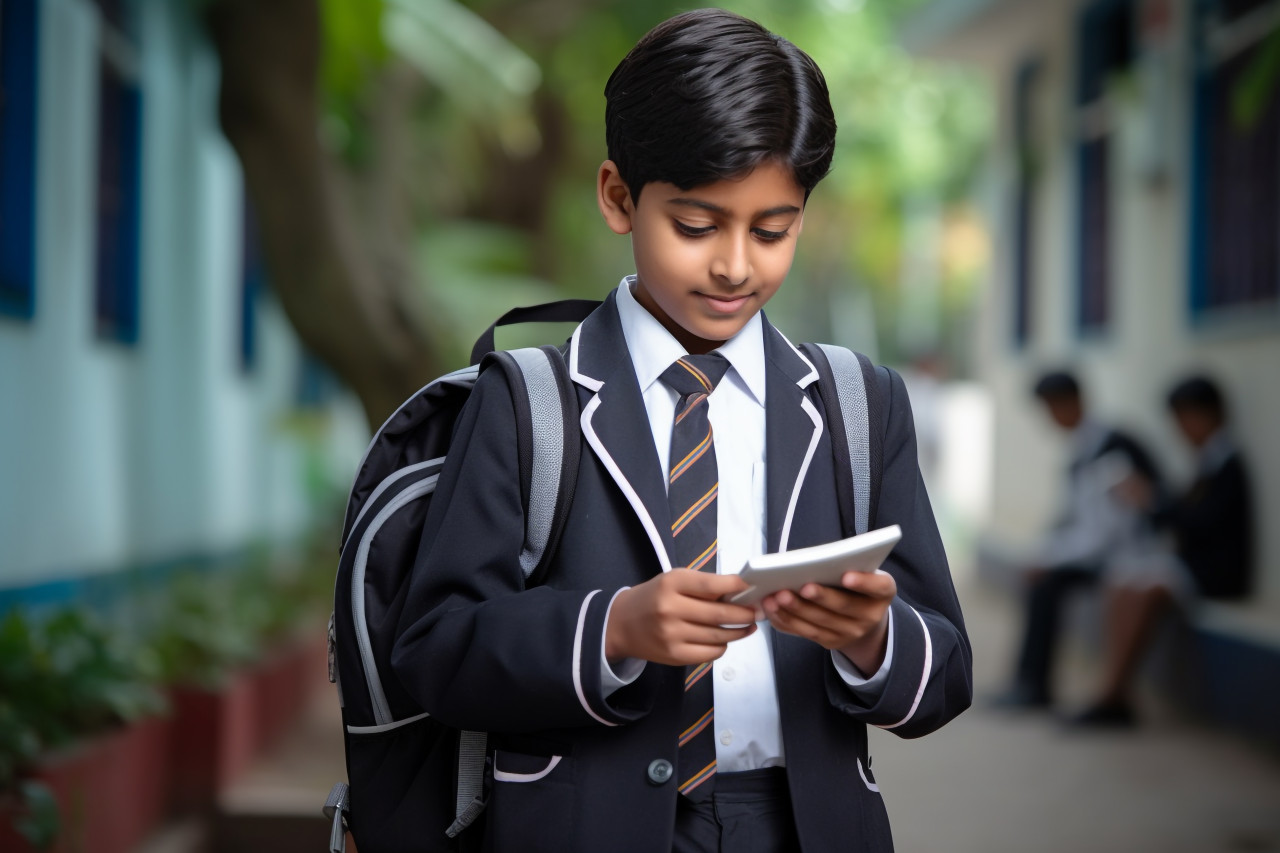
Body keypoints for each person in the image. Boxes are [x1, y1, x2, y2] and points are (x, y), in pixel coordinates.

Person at [391, 10, 971, 853]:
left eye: (773, 229)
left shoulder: (859, 404)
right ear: (618, 197)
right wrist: (614, 628)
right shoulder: (527, 403)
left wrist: (873, 638)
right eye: (697, 226)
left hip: (800, 828)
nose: (735, 265)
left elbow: (946, 675)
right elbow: (436, 651)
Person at [1073, 374, 1253, 726]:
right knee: (1121, 581)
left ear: (1207, 414)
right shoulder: (1209, 460)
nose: (1181, 429)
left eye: (1185, 418)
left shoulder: (1227, 463)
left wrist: (1152, 500)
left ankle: (1114, 693)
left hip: (1216, 574)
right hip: (1194, 566)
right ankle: (1113, 690)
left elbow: (1201, 522)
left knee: (1145, 588)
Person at [995, 370, 1162, 710]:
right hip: (1099, 551)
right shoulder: (1085, 448)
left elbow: (1106, 533)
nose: (1050, 418)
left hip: (1125, 557)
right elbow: (1075, 521)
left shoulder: (1113, 451)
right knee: (1041, 581)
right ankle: (1028, 683)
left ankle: (1035, 687)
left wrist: (1049, 558)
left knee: (1045, 583)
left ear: (1073, 402)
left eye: (1052, 408)